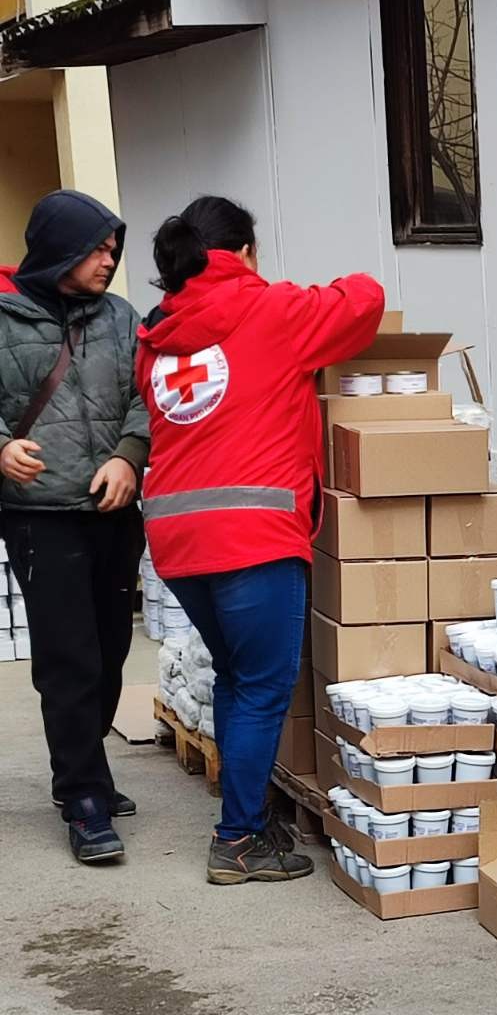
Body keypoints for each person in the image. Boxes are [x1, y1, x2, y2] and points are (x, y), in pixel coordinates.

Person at [136, 196, 384, 885]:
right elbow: (365, 299)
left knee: (237, 678)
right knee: (262, 686)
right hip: (252, 536)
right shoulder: (272, 310)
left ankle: (246, 816)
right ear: (244, 251)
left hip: (176, 540)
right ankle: (238, 839)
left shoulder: (157, 334)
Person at [0, 190, 150, 864]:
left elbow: (147, 396)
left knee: (112, 648)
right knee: (70, 660)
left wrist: (129, 456)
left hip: (113, 513)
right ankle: (83, 796)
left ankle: (87, 768)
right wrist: (1, 448)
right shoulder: (3, 319)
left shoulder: (121, 317)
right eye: (97, 249)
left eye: (113, 248)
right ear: (60, 249)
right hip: (40, 518)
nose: (108, 260)